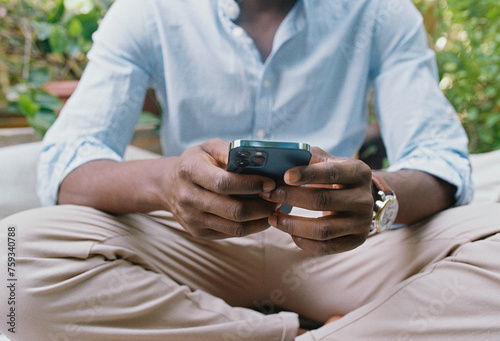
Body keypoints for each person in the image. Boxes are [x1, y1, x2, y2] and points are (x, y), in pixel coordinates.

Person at [1, 0, 499, 340]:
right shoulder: (149, 10)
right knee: (11, 260)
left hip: (347, 243)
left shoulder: (380, 11)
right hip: (191, 240)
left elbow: (438, 156)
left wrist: (377, 197)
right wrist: (166, 181)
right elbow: (69, 160)